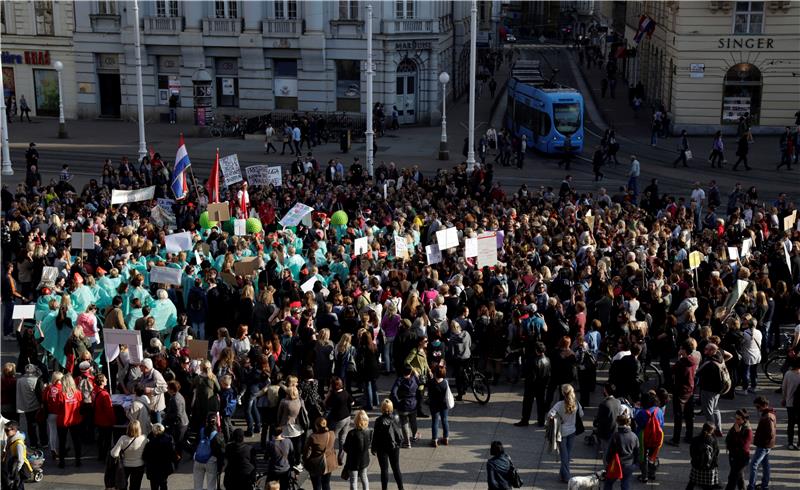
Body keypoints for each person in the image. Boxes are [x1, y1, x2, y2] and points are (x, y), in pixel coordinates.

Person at [547, 384, 584, 483]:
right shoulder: (576, 403)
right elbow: (581, 414)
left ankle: (566, 477)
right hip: (572, 431)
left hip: (562, 433)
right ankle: (562, 474)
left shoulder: (559, 404)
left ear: (563, 393)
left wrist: (558, 418)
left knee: (564, 455)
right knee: (567, 454)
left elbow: (550, 414)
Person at [515, 341, 551, 428]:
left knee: (527, 403)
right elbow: (548, 374)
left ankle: (525, 420)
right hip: (541, 385)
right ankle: (541, 421)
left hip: (532, 385)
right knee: (540, 403)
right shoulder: (547, 359)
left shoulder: (533, 361)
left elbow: (527, 373)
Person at [669, 340, 698, 446]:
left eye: (681, 348)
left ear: (684, 350)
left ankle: (676, 439)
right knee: (689, 415)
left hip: (680, 391)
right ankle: (689, 436)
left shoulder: (681, 363)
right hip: (690, 390)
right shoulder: (693, 360)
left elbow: (672, 371)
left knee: (678, 415)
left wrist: (678, 358)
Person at [371, 399, 405, 490]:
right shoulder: (396, 418)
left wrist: (373, 447)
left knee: (384, 470)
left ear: (382, 408)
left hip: (382, 448)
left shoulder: (379, 420)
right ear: (391, 408)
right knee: (396, 468)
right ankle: (401, 488)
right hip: (394, 447)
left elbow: (376, 435)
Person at [748, 396, 776, 490]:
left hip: (764, 445)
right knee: (765, 465)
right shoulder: (768, 414)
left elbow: (770, 433)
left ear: (764, 405)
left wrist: (761, 437)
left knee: (753, 465)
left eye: (758, 407)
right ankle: (765, 485)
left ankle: (751, 486)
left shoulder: (767, 417)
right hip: (766, 445)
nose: (757, 409)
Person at [324, 376, 354, 465]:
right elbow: (352, 402)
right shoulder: (345, 392)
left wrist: (329, 393)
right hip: (347, 417)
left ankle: (330, 457)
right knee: (342, 439)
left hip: (337, 419)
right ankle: (341, 459)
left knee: (331, 438)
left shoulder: (334, 395)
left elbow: (326, 404)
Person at [111, 420, 148, 490]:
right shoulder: (144, 438)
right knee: (136, 486)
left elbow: (114, 454)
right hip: (139, 465)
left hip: (125, 466)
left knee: (122, 485)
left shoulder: (123, 438)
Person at [56, 373, 83, 468]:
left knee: (62, 442)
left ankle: (62, 462)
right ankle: (78, 461)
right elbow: (80, 405)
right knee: (77, 441)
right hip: (75, 420)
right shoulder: (78, 393)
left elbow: (58, 407)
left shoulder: (60, 394)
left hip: (63, 421)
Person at [303, 417, 337, 490]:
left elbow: (306, 452)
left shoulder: (313, 437)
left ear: (316, 426)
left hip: (316, 464)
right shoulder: (332, 434)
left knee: (317, 486)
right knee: (326, 483)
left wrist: (305, 461)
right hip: (329, 463)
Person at [193, 413, 225, 490]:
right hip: (210, 461)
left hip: (198, 459)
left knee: (197, 486)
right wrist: (220, 467)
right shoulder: (218, 435)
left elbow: (195, 444)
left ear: (206, 421)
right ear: (216, 422)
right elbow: (221, 452)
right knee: (211, 486)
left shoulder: (201, 430)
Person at [390, 366, 419, 448]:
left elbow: (393, 392)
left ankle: (407, 442)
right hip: (413, 403)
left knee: (404, 423)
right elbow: (419, 385)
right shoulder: (414, 378)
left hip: (403, 404)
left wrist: (397, 402)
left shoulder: (400, 380)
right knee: (413, 421)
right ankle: (414, 436)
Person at [143, 423, 177, 490]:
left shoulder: (149, 443)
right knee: (163, 484)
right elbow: (172, 454)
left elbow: (144, 456)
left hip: (153, 469)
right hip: (165, 468)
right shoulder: (169, 440)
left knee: (154, 486)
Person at [343, 410, 372, 490]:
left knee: (353, 480)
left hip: (353, 461)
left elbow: (346, 448)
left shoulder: (351, 433)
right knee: (364, 477)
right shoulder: (369, 431)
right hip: (364, 459)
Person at [687, 422, 721, 490]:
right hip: (709, 468)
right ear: (712, 431)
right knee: (707, 486)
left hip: (697, 466)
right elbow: (716, 453)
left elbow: (692, 452)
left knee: (692, 483)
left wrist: (694, 461)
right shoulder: (714, 440)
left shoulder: (695, 439)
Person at [725, 409, 752, 490]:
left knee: (732, 479)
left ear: (744, 420)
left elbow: (743, 446)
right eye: (735, 418)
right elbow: (728, 438)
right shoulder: (736, 426)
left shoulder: (748, 431)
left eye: (738, 419)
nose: (736, 421)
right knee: (739, 478)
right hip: (733, 456)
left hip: (741, 458)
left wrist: (737, 433)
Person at [594, 383, 622, 456]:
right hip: (615, 431)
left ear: (605, 391)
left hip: (606, 433)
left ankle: (607, 467)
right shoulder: (618, 402)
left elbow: (599, 419)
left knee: (606, 453)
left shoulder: (604, 404)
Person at [427, 364, 451, 448]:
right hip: (443, 404)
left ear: (435, 373)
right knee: (445, 420)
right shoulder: (445, 382)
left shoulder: (431, 382)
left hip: (434, 404)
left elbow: (429, 393)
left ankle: (434, 440)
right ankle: (446, 438)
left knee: (435, 421)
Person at [781, 358, 800, 450]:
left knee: (791, 423)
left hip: (790, 403)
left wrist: (784, 399)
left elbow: (784, 388)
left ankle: (790, 443)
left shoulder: (788, 374)